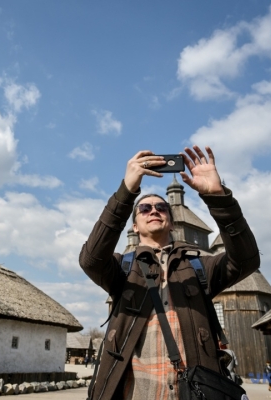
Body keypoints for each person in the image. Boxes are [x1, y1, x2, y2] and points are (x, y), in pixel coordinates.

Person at [79, 146, 260, 400]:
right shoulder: (123, 269)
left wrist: (219, 198)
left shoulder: (198, 267)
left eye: (161, 207)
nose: (154, 210)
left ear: (172, 222)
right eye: (144, 208)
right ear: (134, 225)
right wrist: (127, 191)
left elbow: (246, 260)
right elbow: (91, 259)